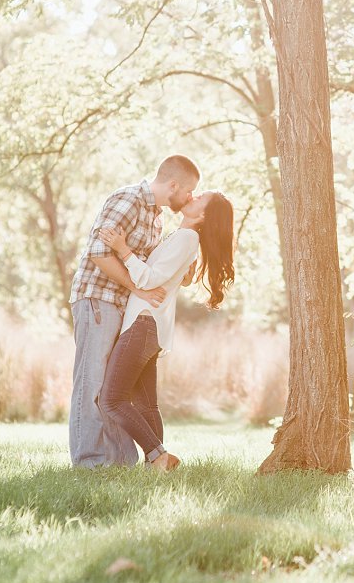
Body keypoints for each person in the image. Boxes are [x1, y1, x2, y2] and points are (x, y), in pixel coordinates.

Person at [67, 155, 200, 468]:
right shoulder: (128, 200)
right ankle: (89, 460)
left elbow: (151, 268)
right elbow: (99, 253)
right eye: (189, 190)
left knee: (111, 385)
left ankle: (119, 460)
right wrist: (137, 288)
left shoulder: (157, 216)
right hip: (98, 298)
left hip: (122, 305)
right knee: (91, 381)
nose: (189, 197)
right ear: (173, 185)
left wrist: (183, 269)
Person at [97, 189, 235, 471]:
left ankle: (158, 454)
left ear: (203, 215)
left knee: (112, 399)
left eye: (199, 199)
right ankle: (156, 465)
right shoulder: (184, 239)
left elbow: (149, 280)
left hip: (143, 323)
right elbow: (170, 277)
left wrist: (123, 250)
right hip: (151, 327)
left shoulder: (186, 239)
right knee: (147, 405)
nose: (191, 196)